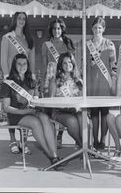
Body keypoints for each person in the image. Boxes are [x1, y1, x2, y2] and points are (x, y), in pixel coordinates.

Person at [0, 54, 63, 168]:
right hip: (16, 115)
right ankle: (52, 157)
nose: (22, 66)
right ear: (14, 65)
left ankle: (54, 154)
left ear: (28, 66)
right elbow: (6, 107)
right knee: (35, 123)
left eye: (24, 63)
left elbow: (36, 99)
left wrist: (36, 103)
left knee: (44, 118)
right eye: (19, 63)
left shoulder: (32, 81)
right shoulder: (8, 83)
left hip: (31, 112)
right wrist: (24, 112)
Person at [0, 11, 35, 154]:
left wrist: (32, 77)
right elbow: (3, 58)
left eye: (24, 19)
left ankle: (24, 141)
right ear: (15, 20)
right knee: (12, 109)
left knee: (25, 106)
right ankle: (13, 140)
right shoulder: (7, 38)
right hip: (12, 79)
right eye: (19, 18)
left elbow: (31, 60)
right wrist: (8, 78)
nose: (22, 21)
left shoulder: (28, 39)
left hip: (25, 79)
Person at [42, 18, 76, 148]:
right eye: (54, 28)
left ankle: (59, 136)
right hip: (50, 77)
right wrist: (43, 83)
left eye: (59, 28)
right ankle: (51, 136)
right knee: (50, 107)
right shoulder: (46, 45)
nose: (56, 31)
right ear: (51, 30)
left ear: (62, 29)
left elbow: (72, 63)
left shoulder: (67, 43)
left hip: (63, 77)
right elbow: (43, 64)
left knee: (63, 105)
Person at [86, 16, 117, 150]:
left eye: (100, 27)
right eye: (95, 27)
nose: (97, 30)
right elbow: (84, 64)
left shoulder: (109, 44)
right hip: (91, 81)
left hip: (105, 81)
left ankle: (103, 140)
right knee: (94, 112)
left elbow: (113, 64)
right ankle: (95, 140)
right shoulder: (88, 44)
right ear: (91, 29)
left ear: (103, 29)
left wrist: (114, 80)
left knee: (104, 112)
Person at [49, 52, 83, 147]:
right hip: (59, 111)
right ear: (60, 65)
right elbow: (50, 101)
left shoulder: (79, 81)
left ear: (73, 63)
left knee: (83, 119)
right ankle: (84, 146)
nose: (68, 65)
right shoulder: (55, 80)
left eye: (69, 62)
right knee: (72, 121)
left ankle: (85, 147)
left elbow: (83, 100)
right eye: (64, 63)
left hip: (75, 111)